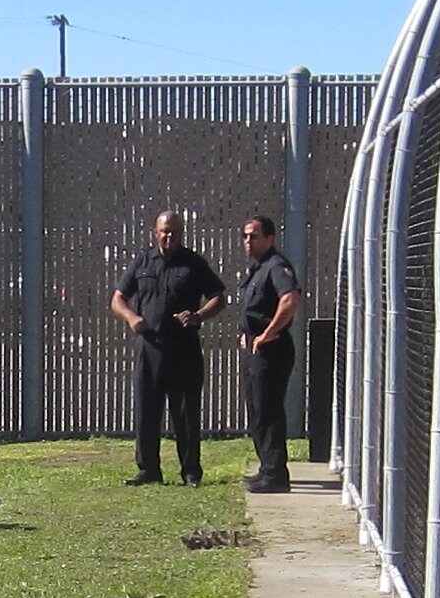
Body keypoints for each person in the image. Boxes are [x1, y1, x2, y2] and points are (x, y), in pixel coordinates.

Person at [110, 209, 227, 485]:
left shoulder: (193, 263)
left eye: (174, 232)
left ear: (181, 234)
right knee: (147, 410)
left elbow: (218, 298)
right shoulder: (143, 262)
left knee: (185, 412)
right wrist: (131, 317)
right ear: (155, 233)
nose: (169, 236)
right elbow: (118, 298)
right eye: (164, 231)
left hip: (183, 347)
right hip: (150, 346)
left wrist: (198, 316)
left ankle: (190, 472)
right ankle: (149, 470)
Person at [232, 215, 303, 493]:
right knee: (257, 410)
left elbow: (290, 299)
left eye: (254, 236)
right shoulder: (258, 269)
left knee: (268, 410)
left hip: (272, 350)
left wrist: (268, 332)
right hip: (255, 348)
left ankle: (275, 475)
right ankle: (266, 468)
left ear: (270, 239)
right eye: (245, 236)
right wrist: (248, 334)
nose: (248, 241)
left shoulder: (276, 266)